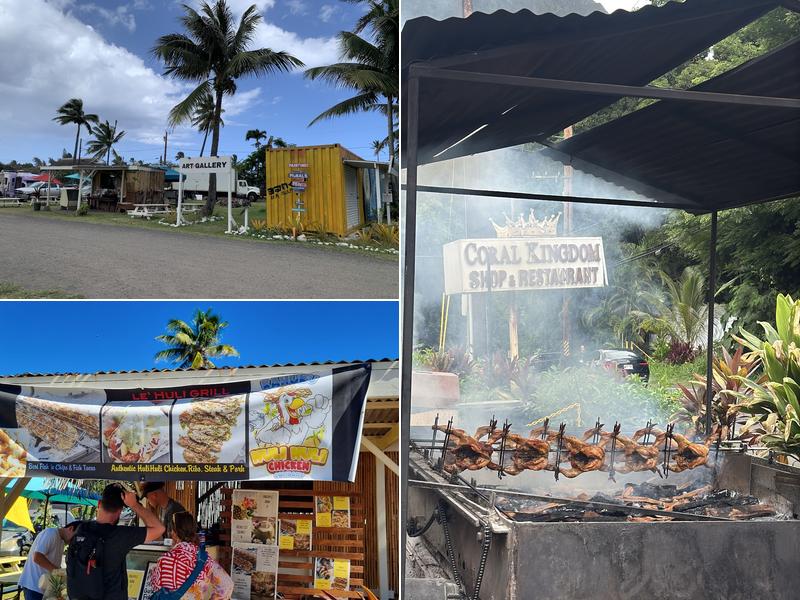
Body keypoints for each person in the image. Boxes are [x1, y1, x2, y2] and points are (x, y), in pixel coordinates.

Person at [66, 483, 165, 600]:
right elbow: (159, 529)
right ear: (120, 511)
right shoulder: (120, 535)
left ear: (99, 504)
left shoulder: (81, 529)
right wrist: (135, 505)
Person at [148, 511, 233, 600]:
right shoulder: (205, 559)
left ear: (173, 532)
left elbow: (156, 589)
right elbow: (227, 584)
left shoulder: (165, 560)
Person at [18, 522, 80, 600]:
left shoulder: (61, 541)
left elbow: (52, 563)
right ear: (70, 528)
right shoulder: (50, 533)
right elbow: (37, 557)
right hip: (34, 586)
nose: (74, 541)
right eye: (74, 537)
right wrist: (58, 571)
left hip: (45, 585)